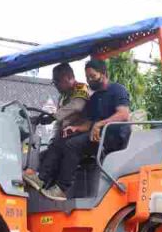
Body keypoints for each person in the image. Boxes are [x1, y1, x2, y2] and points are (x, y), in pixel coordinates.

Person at [48, 59, 131, 201]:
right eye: (87, 78)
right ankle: (47, 183)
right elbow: (90, 122)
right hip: (98, 137)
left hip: (115, 137)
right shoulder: (95, 97)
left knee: (72, 145)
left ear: (103, 74)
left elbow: (123, 114)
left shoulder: (117, 90)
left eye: (93, 76)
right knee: (63, 142)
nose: (90, 80)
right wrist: (75, 128)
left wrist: (99, 125)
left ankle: (62, 188)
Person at [23, 63, 91, 200]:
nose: (56, 86)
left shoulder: (81, 88)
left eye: (57, 82)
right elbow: (60, 119)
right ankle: (41, 190)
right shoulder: (64, 96)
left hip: (82, 134)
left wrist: (53, 116)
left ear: (67, 78)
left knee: (59, 146)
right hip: (67, 135)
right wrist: (43, 119)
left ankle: (45, 181)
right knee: (44, 155)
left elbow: (75, 107)